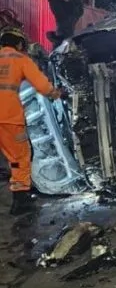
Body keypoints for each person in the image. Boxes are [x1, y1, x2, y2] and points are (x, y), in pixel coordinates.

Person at [0, 27, 62, 215]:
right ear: (19, 44)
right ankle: (21, 201)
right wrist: (55, 94)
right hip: (9, 117)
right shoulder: (21, 59)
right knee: (19, 157)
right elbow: (41, 84)